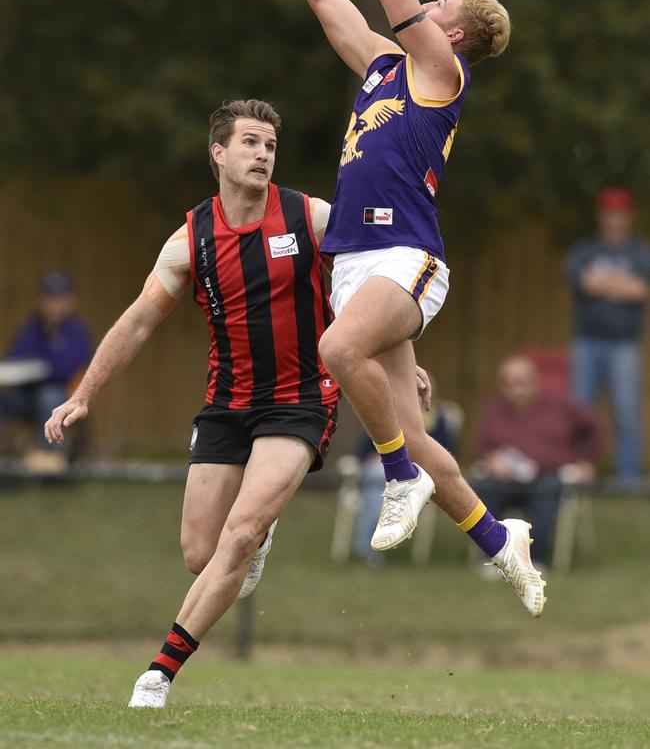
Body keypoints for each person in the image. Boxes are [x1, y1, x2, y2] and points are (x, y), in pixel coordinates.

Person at [291, 0, 546, 617]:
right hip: (356, 263)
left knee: (340, 351)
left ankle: (396, 476)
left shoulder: (442, 69)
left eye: (440, 5)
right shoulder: (382, 67)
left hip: (407, 257)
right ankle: (505, 546)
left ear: (456, 31)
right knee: (420, 433)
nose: (425, 4)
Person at [44, 99, 344, 709]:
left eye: (270, 146)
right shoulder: (190, 240)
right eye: (251, 143)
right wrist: (84, 395)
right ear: (219, 153)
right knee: (200, 556)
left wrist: (402, 359)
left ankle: (157, 674)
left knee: (237, 536)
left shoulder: (308, 217)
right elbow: (135, 324)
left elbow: (368, 281)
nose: (263, 154)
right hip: (226, 404)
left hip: (301, 400)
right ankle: (257, 533)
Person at [472, 355, 602, 567]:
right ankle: (493, 557)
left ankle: (535, 559)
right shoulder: (493, 411)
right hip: (506, 481)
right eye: (509, 384)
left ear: (535, 382)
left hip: (548, 477)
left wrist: (586, 462)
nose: (516, 390)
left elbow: (594, 428)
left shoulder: (561, 406)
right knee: (484, 487)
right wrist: (491, 460)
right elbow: (482, 448)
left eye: (522, 383)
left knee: (549, 491)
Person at [565, 187, 650, 483]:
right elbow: (581, 282)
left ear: (628, 217)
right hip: (586, 343)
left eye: (620, 214)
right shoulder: (585, 250)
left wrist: (601, 283)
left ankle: (627, 481)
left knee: (627, 414)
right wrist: (623, 285)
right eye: (609, 213)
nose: (614, 219)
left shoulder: (640, 252)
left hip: (625, 346)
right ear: (601, 217)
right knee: (579, 413)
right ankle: (576, 475)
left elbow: (642, 291)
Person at [353, 372, 463, 565]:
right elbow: (363, 452)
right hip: (382, 475)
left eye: (422, 392)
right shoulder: (385, 418)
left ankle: (369, 550)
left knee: (376, 489)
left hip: (419, 477)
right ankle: (371, 550)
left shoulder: (439, 422)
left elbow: (448, 455)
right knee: (377, 485)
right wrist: (375, 458)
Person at [0, 270, 93, 466]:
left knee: (49, 397)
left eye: (58, 298)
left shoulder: (77, 331)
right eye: (49, 298)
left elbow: (68, 368)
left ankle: (48, 459)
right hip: (26, 395)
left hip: (63, 396)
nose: (53, 304)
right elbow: (14, 357)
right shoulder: (32, 326)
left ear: (70, 301)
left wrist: (41, 366)